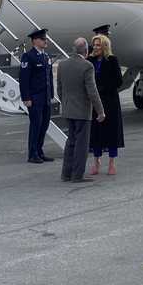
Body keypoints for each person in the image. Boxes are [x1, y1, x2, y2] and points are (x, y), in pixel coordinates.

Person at [56, 37, 105, 183]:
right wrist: (100, 111)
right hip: (82, 111)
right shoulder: (87, 66)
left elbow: (59, 88)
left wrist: (65, 103)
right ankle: (77, 175)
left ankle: (66, 173)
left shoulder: (62, 65)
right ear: (86, 51)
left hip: (68, 109)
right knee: (81, 145)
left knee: (70, 142)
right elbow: (92, 91)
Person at [88, 34, 125, 175]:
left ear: (105, 46)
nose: (96, 47)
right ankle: (96, 161)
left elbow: (118, 81)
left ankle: (111, 162)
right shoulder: (89, 60)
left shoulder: (112, 60)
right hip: (95, 101)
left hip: (110, 101)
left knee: (111, 132)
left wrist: (102, 87)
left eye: (98, 45)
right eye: (94, 45)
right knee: (96, 131)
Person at [19, 28, 55, 163]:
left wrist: (51, 94)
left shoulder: (46, 57)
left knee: (44, 125)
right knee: (36, 125)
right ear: (35, 41)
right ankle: (32, 153)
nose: (45, 41)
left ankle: (39, 151)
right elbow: (24, 79)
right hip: (34, 98)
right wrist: (26, 98)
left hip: (45, 97)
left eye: (45, 39)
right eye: (42, 39)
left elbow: (49, 77)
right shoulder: (28, 57)